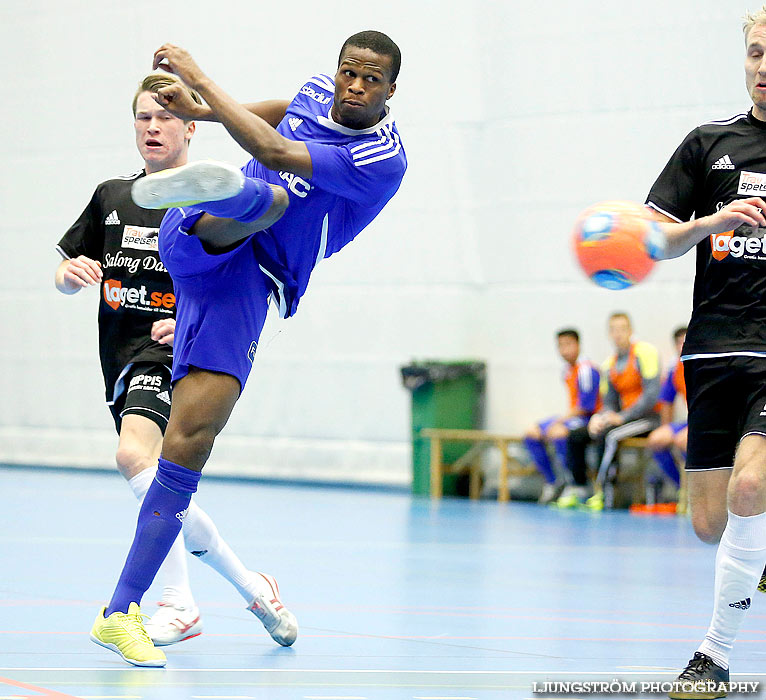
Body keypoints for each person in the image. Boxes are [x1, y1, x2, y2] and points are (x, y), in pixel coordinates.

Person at [89, 30, 407, 667]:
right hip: (199, 240)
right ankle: (219, 195)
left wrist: (197, 77)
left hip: (249, 285)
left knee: (186, 446)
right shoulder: (319, 93)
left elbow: (273, 144)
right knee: (269, 196)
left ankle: (119, 612)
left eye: (370, 80)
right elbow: (279, 114)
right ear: (337, 70)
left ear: (390, 91)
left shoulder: (382, 159)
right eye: (348, 72)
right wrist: (198, 113)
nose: (354, 86)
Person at [57, 73, 292, 650]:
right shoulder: (113, 195)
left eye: (164, 117)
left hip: (170, 351)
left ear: (191, 126)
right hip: (116, 351)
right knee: (162, 483)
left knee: (133, 455)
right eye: (143, 118)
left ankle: (177, 602)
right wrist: (69, 276)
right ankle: (250, 585)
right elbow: (66, 272)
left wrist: (187, 318)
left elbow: (228, 277)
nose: (153, 127)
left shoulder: (214, 198)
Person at [640, 7, 766, 694]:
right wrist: (709, 223)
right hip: (714, 351)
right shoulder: (709, 143)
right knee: (709, 522)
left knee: (751, 488)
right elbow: (653, 240)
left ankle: (712, 657)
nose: (764, 67)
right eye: (755, 54)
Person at [561, 313, 661, 510]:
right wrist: (600, 417)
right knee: (578, 435)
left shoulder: (645, 353)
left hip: (647, 419)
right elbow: (608, 402)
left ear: (630, 330)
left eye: (622, 329)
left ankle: (604, 492)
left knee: (611, 436)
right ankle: (579, 488)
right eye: (613, 330)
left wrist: (621, 417)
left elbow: (651, 396)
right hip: (623, 419)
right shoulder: (610, 364)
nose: (618, 334)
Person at [523, 329, 600, 504]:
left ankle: (575, 482)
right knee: (531, 432)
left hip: (589, 419)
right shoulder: (567, 371)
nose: (564, 350)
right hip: (573, 417)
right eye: (560, 346)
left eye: (568, 344)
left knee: (558, 432)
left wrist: (560, 420)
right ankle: (552, 481)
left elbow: (585, 407)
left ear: (578, 345)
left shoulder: (586, 370)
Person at [645, 327, 688, 497]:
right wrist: (666, 427)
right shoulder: (675, 368)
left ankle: (699, 487)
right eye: (679, 342)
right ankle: (682, 488)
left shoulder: (706, 366)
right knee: (657, 439)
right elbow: (667, 401)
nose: (683, 346)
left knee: (682, 441)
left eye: (686, 341)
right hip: (690, 421)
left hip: (711, 421)